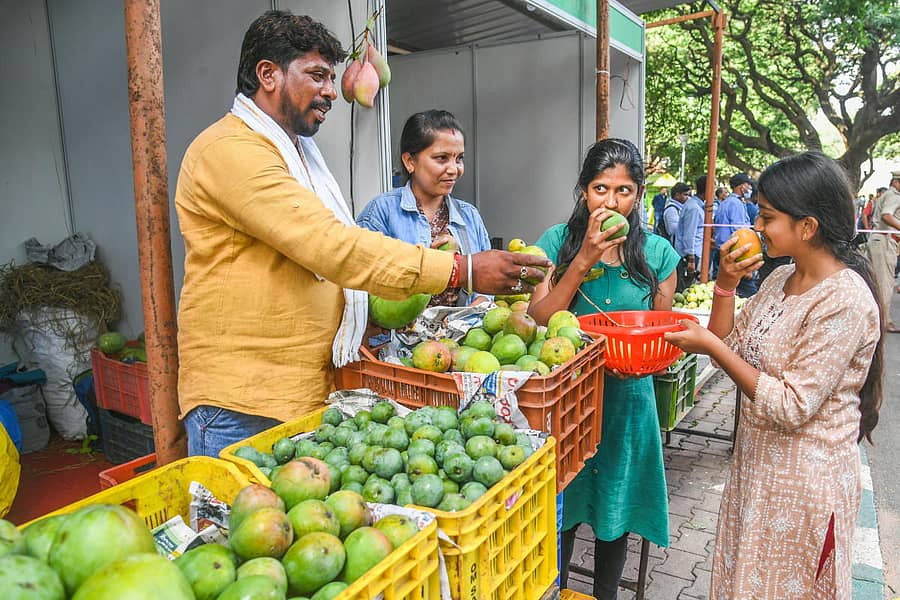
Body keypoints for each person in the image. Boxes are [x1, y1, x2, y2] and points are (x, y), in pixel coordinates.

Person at [173, 10, 550, 457]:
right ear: (268, 74)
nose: (331, 92)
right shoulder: (229, 150)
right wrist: (459, 269)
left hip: (298, 391)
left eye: (332, 79)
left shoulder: (295, 153)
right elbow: (330, 246)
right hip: (243, 401)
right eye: (317, 75)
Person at [665, 151, 883, 599]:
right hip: (757, 471)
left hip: (805, 487)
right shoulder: (777, 279)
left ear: (807, 226)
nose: (757, 226)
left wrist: (711, 347)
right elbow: (728, 345)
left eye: (767, 217)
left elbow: (791, 405)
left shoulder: (845, 299)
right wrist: (725, 284)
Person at [527, 139, 679, 600]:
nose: (610, 202)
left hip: (628, 402)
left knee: (616, 514)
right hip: (566, 402)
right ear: (583, 190)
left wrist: (645, 362)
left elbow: (660, 330)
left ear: (639, 194)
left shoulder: (658, 254)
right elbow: (539, 317)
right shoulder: (556, 242)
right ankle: (556, 590)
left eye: (623, 191)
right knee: (561, 510)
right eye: (600, 189)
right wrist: (583, 261)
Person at [357, 110, 491, 307]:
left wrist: (475, 306)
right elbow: (363, 290)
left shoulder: (469, 216)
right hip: (401, 329)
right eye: (442, 158)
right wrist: (427, 266)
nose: (454, 169)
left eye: (459, 158)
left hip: (464, 327)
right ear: (410, 161)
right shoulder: (381, 213)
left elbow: (486, 287)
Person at [865, 172, 900, 332]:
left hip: (879, 240)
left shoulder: (888, 195)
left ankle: (879, 320)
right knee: (884, 284)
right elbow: (887, 215)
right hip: (884, 241)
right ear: (896, 182)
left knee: (877, 283)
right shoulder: (894, 196)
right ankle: (883, 322)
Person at [714, 173, 756, 296]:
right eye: (748, 185)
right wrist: (746, 262)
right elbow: (740, 233)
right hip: (734, 254)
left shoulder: (726, 202)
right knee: (750, 292)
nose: (750, 188)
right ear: (742, 187)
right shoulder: (735, 204)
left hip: (723, 251)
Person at [674, 175, 709, 291]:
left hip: (692, 253)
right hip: (688, 255)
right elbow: (689, 235)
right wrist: (691, 260)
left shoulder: (697, 205)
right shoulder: (693, 207)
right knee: (685, 290)